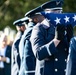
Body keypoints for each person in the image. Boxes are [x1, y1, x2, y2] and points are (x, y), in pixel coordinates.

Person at [30, 0, 73, 75]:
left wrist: (70, 40)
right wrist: (56, 40)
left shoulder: (64, 28)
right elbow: (39, 53)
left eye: (60, 12)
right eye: (55, 12)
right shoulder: (39, 29)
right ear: (46, 14)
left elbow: (69, 54)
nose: (58, 15)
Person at [19, 6, 43, 75]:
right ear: (36, 19)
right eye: (42, 17)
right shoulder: (32, 31)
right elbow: (28, 56)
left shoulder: (28, 30)